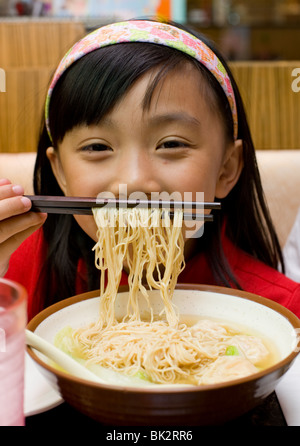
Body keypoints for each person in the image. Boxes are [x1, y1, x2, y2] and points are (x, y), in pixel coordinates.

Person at [1, 19, 300, 320]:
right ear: (61, 173)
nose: (133, 181)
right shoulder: (18, 270)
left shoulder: (283, 313)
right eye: (97, 147)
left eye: (170, 144)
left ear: (227, 168)